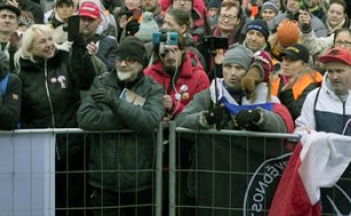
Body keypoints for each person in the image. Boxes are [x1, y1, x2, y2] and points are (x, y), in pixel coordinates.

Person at [77, 37, 165, 216]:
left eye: (130, 60)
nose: (123, 64)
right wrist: (130, 118)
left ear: (141, 63)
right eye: (119, 59)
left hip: (139, 181)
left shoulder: (152, 89)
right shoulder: (100, 82)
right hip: (104, 180)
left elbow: (150, 121)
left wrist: (116, 105)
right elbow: (84, 117)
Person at [14, 24, 97, 213]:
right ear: (29, 47)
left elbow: (86, 80)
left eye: (51, 39)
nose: (49, 45)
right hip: (39, 150)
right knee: (45, 202)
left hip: (72, 146)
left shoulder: (65, 61)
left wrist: (80, 47)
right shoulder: (21, 72)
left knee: (75, 201)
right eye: (42, 41)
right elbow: (22, 112)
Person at [175, 45, 293, 133]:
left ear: (247, 71)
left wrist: (259, 116)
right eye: (228, 66)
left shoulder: (263, 95)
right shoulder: (212, 93)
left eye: (239, 68)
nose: (232, 73)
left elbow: (284, 125)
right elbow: (181, 120)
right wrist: (206, 118)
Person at [143, 30, 210, 118]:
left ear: (183, 50)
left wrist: (174, 106)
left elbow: (201, 112)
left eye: (175, 50)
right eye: (166, 51)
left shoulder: (199, 77)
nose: (170, 56)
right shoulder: (147, 75)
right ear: (158, 53)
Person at [271, 43, 322, 120]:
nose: (286, 63)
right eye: (285, 59)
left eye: (292, 60)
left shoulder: (312, 83)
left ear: (304, 66)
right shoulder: (275, 79)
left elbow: (299, 115)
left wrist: (287, 92)